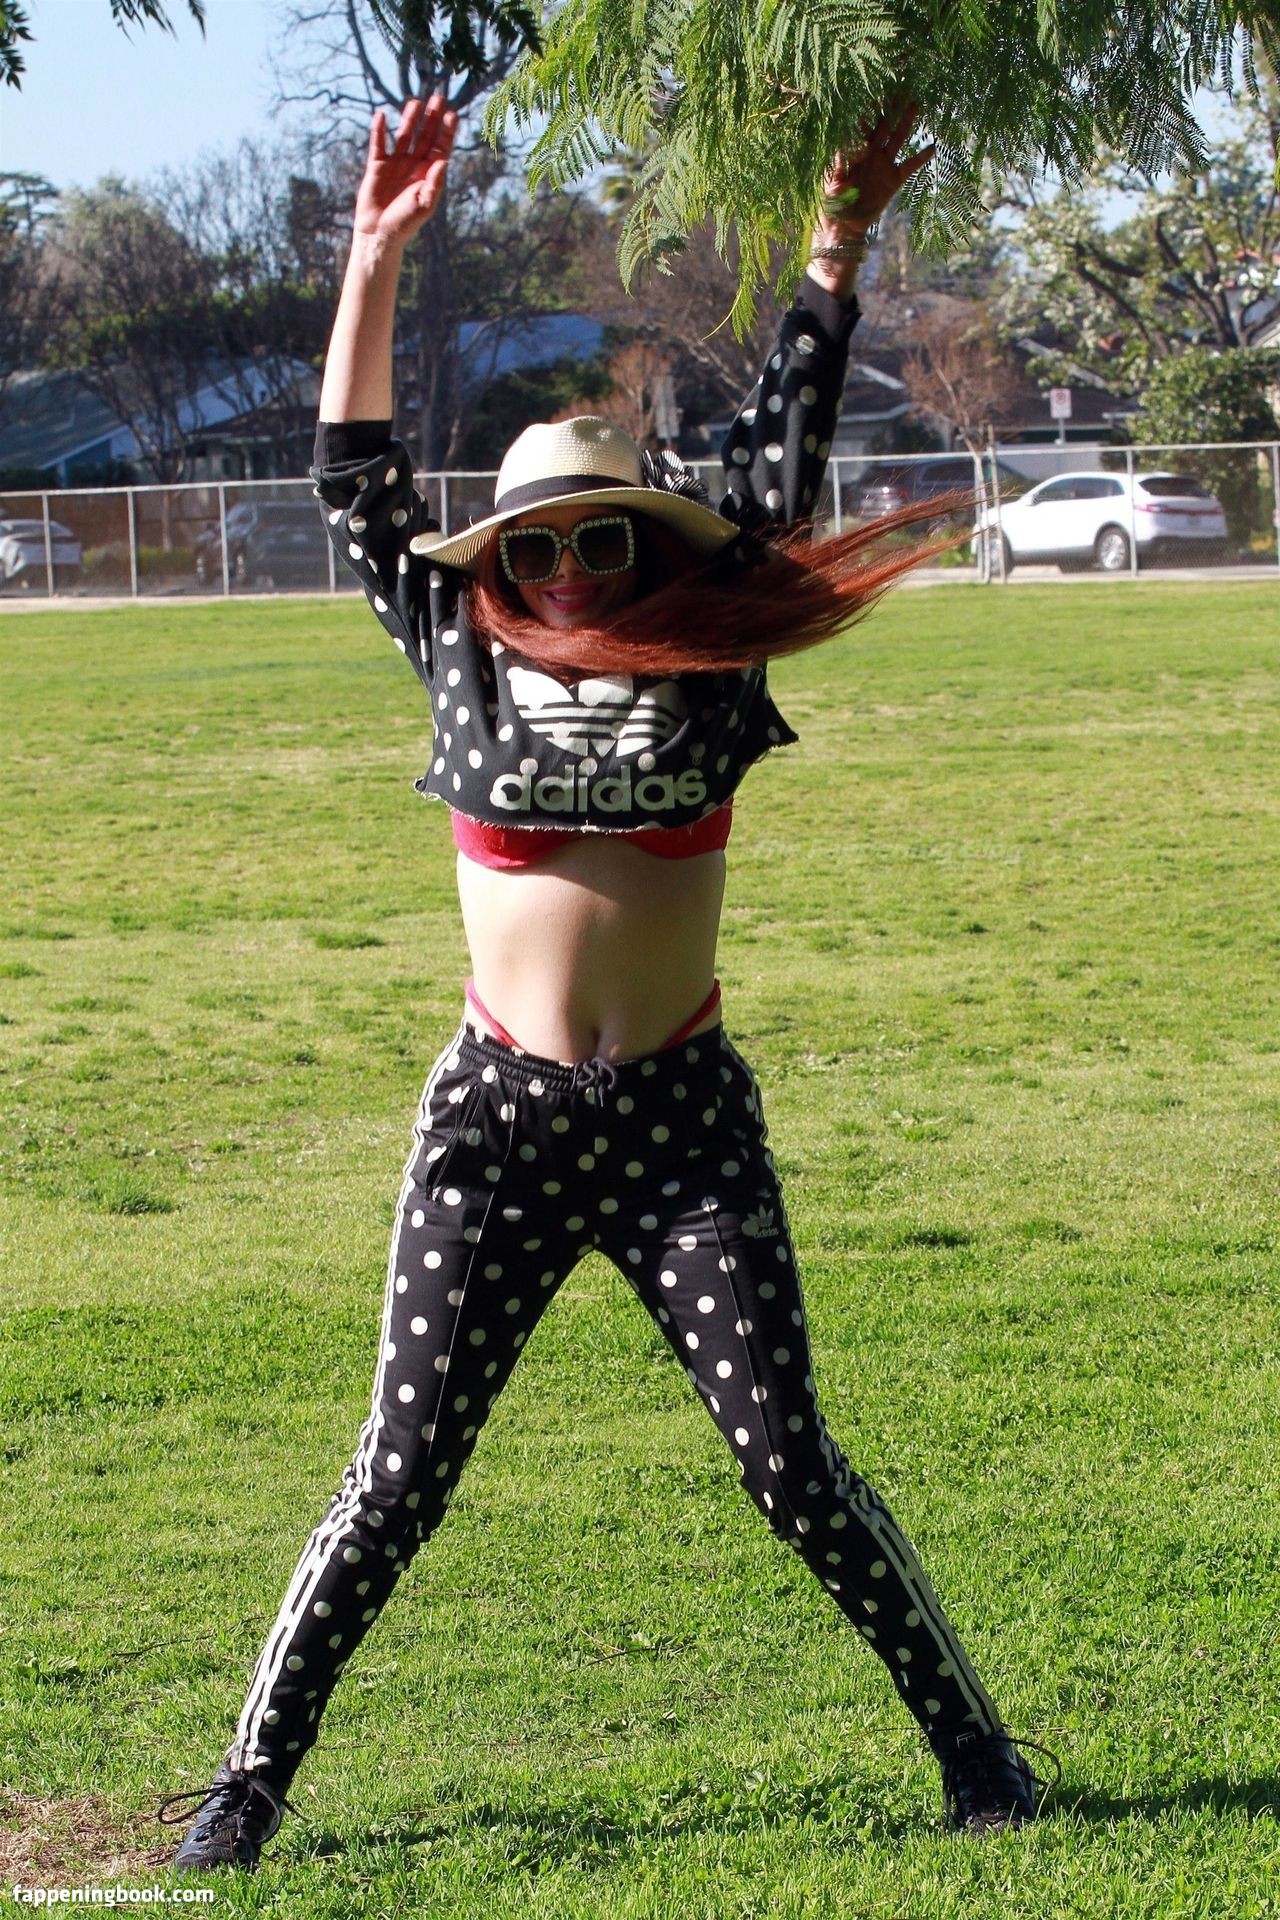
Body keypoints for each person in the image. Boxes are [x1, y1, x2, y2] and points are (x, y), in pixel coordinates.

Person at [156, 95, 1051, 1873]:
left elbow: (786, 438)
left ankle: (982, 1763)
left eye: (600, 538)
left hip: (679, 1127)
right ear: (493, 566)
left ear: (652, 540)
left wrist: (837, 244)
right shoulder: (455, 643)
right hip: (495, 1126)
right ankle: (244, 1792)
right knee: (398, 1477)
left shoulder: (711, 651)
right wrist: (372, 253)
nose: (566, 568)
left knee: (790, 1465)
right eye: (535, 546)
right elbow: (353, 474)